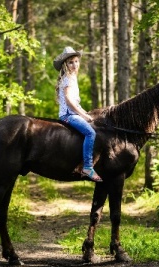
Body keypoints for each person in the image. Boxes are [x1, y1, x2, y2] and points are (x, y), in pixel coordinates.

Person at [53, 46, 102, 182]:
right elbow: (69, 101)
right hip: (68, 115)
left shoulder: (72, 78)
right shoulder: (68, 79)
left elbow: (75, 101)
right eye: (70, 62)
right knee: (90, 133)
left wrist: (84, 112)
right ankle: (87, 166)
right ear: (65, 65)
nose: (74, 65)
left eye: (76, 61)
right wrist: (83, 115)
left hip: (73, 113)